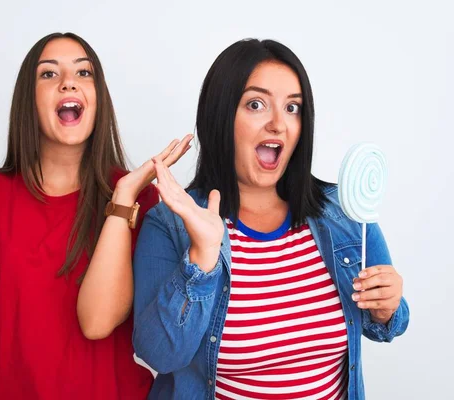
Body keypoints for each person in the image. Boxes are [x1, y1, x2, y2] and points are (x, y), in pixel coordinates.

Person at [133, 38, 409, 400]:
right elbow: (159, 354)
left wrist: (388, 307)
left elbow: (389, 323)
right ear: (220, 115)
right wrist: (202, 258)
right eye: (256, 104)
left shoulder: (344, 214)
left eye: (293, 107)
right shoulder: (170, 225)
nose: (279, 123)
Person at [0, 32, 192, 399]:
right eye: (48, 74)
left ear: (98, 98)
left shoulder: (142, 200)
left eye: (83, 73)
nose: (68, 81)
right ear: (29, 99)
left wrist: (123, 200)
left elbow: (103, 323)